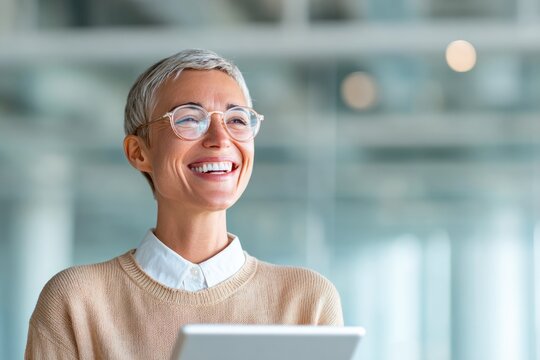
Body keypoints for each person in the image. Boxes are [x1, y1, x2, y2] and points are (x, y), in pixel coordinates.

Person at [25, 49, 343, 359]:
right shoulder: (77, 300)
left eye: (237, 120)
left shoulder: (307, 300)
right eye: (189, 119)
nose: (220, 138)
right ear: (139, 152)